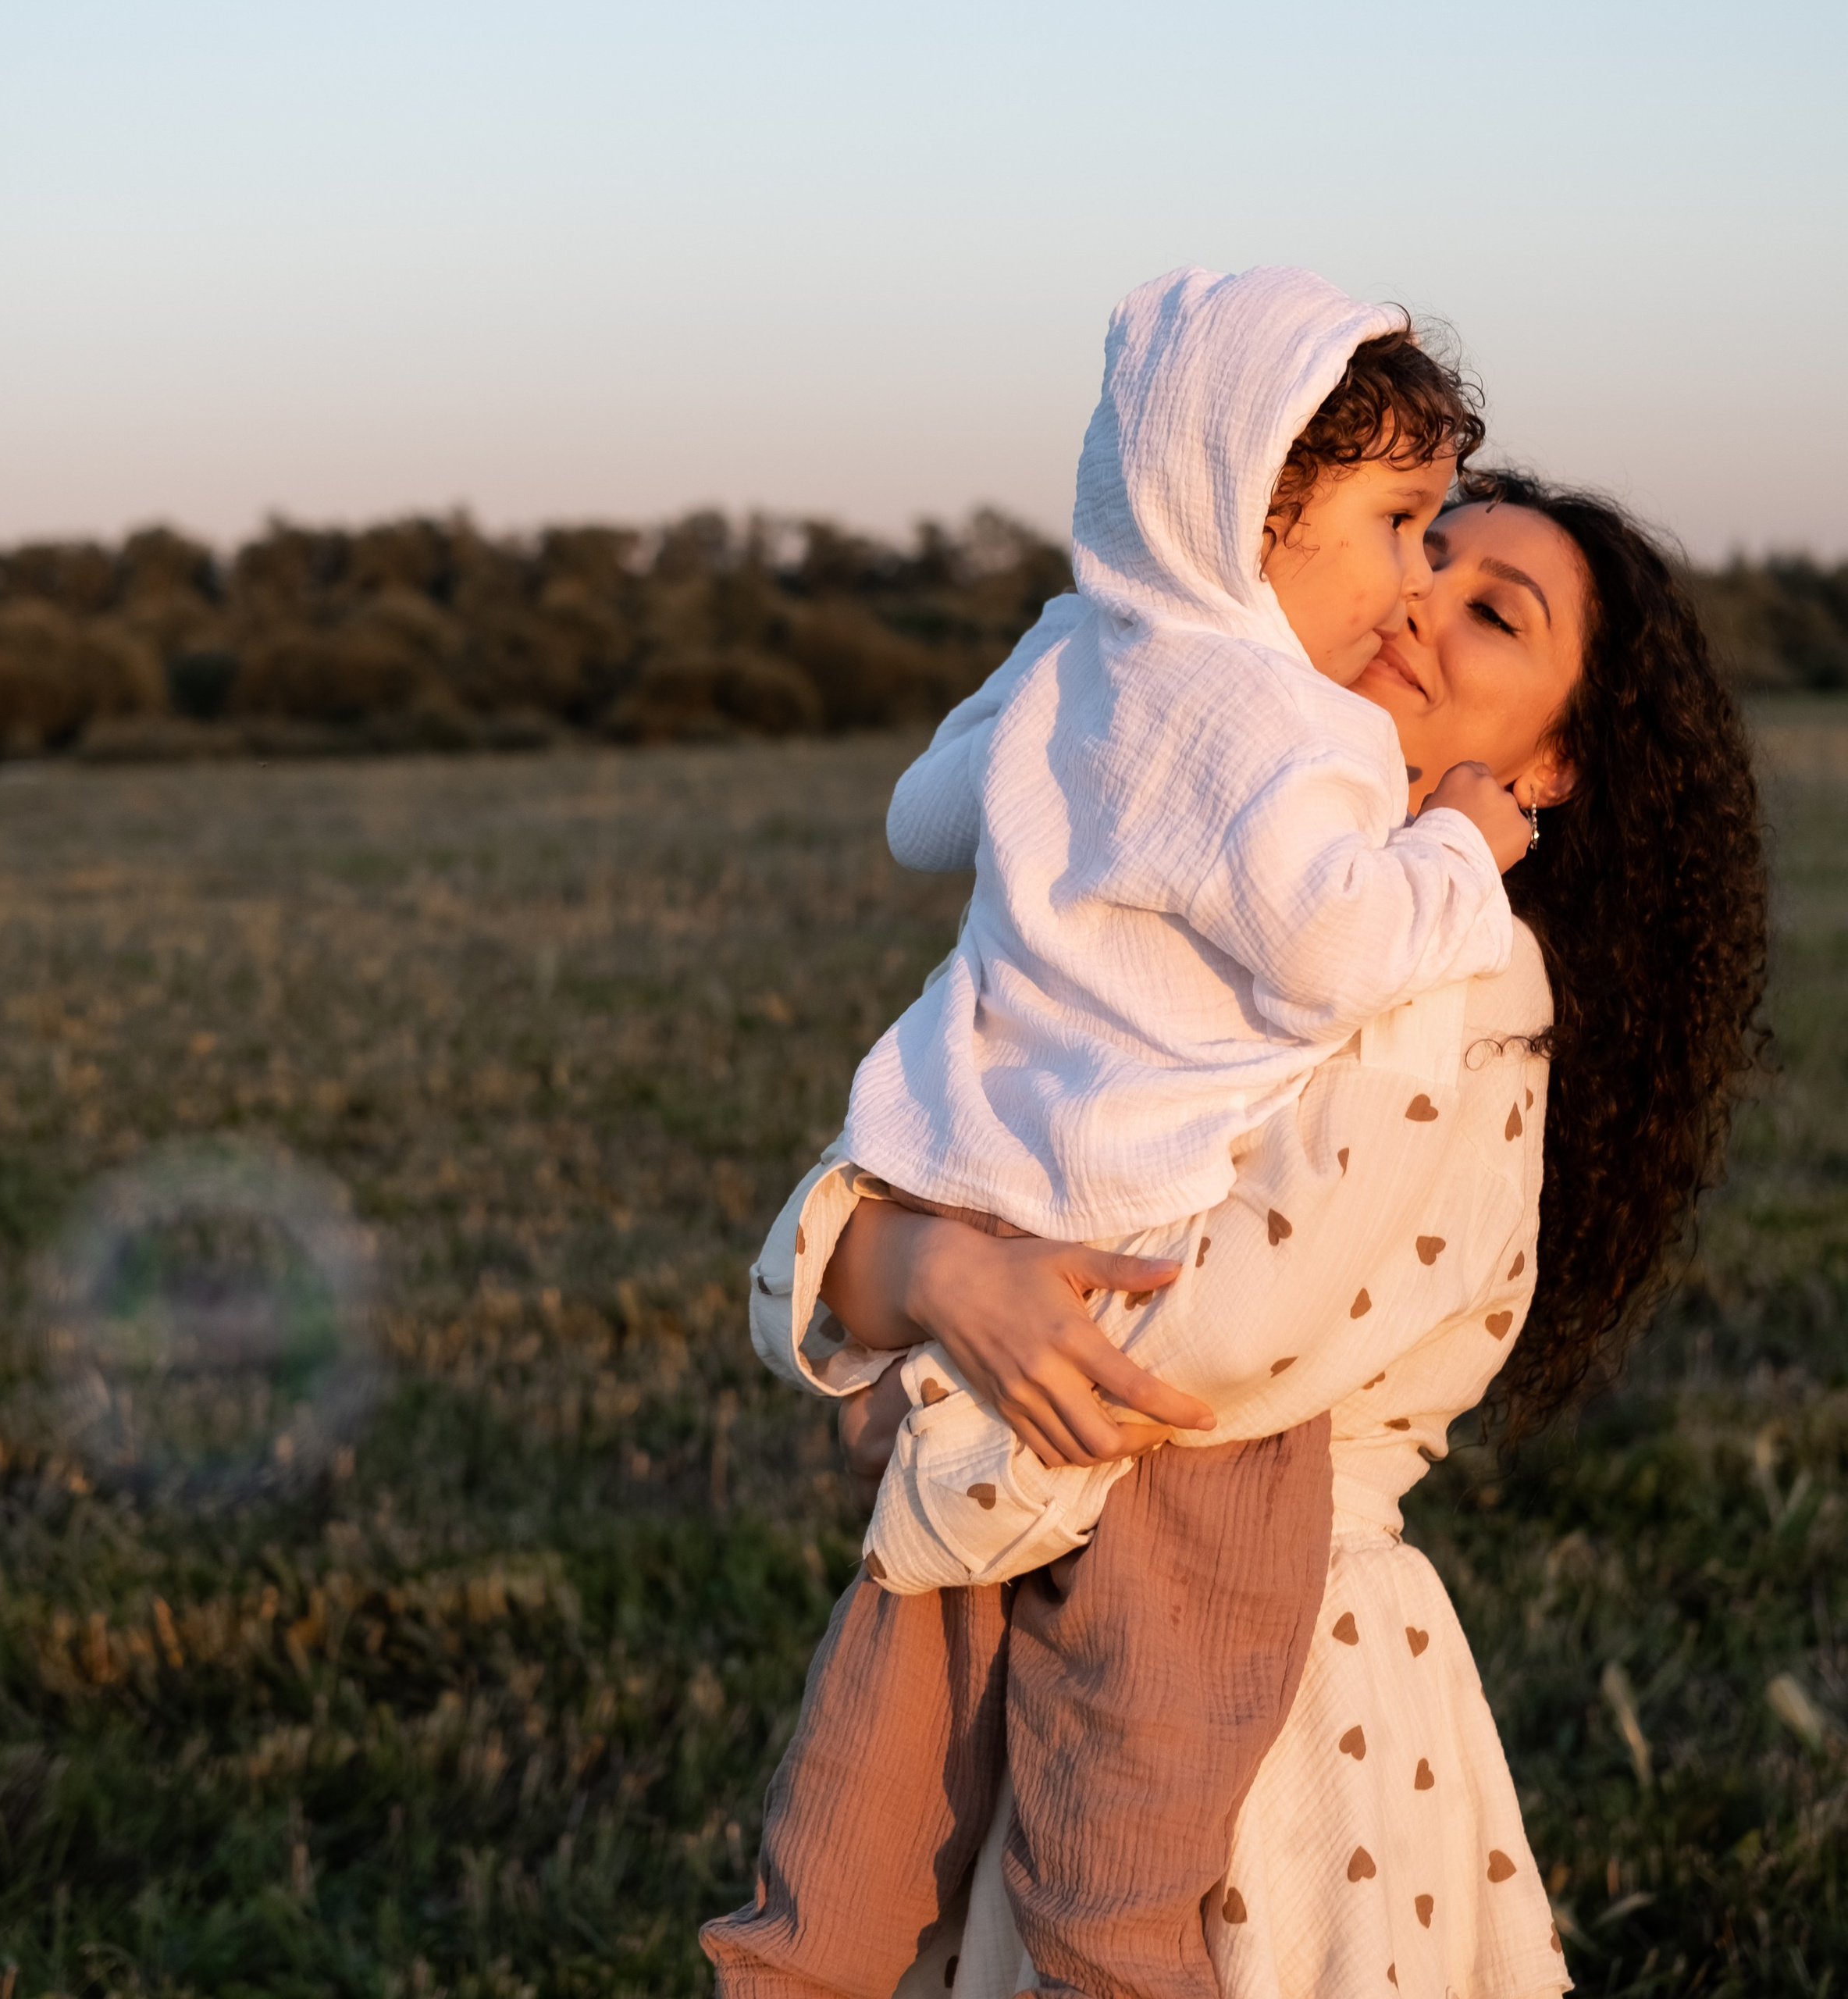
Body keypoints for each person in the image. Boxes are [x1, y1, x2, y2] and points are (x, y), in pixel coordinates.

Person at [712, 474, 1766, 1997]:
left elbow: (1221, 1333)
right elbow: (829, 1226)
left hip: (1271, 1687)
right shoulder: (1152, 909)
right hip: (1026, 1627)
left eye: (1492, 611)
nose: (1419, 599)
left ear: (1550, 761)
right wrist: (938, 1273)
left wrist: (931, 1383)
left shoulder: (1469, 985)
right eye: (1420, 548)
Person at [841, 263, 1519, 1592]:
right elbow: (1335, 947)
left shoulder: (1080, 658)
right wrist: (1461, 850)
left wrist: (1060, 648)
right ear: (1251, 501)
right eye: (1397, 521)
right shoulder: (1279, 721)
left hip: (970, 1152)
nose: (1411, 581)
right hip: (1134, 1202)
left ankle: (915, 1431)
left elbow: (922, 820)